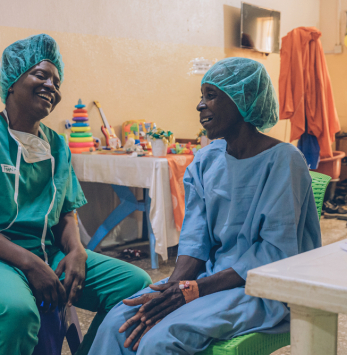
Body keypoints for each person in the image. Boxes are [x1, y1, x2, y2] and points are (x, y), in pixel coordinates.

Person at [88, 57, 322, 355]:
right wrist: (172, 290)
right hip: (209, 279)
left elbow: (273, 253)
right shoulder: (205, 160)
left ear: (244, 99)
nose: (200, 105)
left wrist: (194, 291)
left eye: (211, 95)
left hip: (262, 290)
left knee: (158, 341)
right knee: (118, 323)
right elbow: (195, 238)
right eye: (201, 96)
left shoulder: (284, 160)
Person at [0, 34, 152, 355]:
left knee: (135, 286)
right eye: (41, 75)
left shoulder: (57, 146)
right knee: (18, 313)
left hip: (48, 252)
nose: (51, 86)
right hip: (5, 257)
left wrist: (77, 250)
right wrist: (29, 263)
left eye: (56, 81)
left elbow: (67, 211)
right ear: (12, 82)